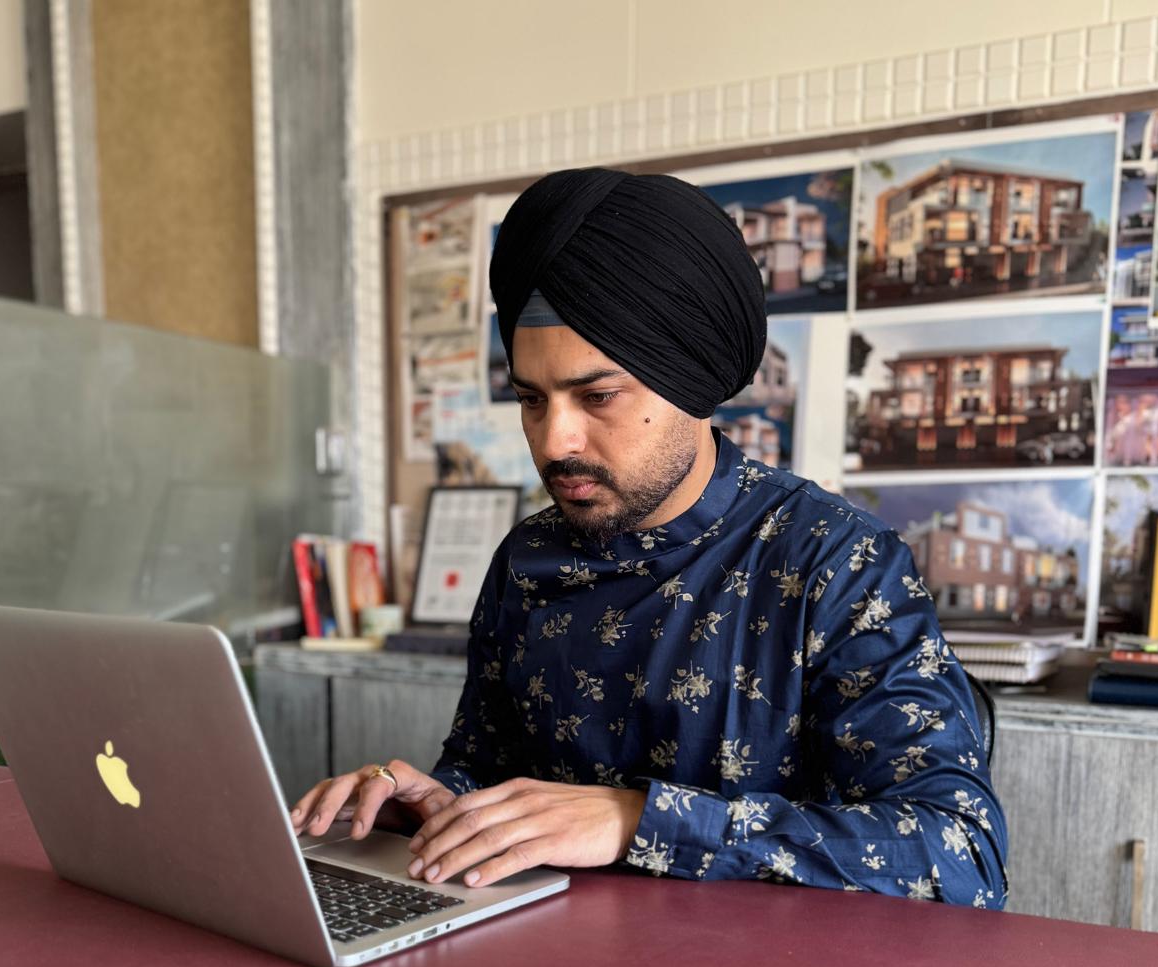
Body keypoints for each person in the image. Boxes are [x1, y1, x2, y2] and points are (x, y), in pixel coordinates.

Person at [291, 168, 1008, 907]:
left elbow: (960, 855)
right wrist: (438, 806)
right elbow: (490, 770)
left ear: (691, 385)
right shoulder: (526, 561)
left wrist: (638, 820)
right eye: (532, 400)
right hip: (549, 956)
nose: (555, 441)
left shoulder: (835, 561)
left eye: (598, 396)